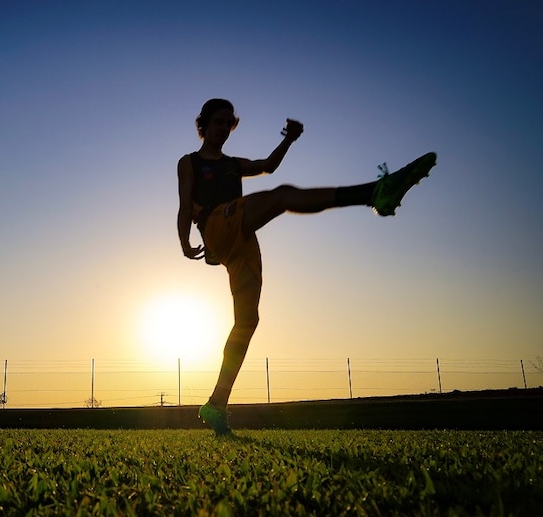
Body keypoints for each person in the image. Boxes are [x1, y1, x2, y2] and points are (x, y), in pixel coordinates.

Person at [177, 98, 436, 435]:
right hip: (215, 224)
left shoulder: (232, 164)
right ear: (204, 125)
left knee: (247, 321)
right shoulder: (190, 162)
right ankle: (373, 192)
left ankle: (216, 404)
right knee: (283, 196)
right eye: (218, 122)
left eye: (229, 123)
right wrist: (184, 242)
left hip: (242, 239)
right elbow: (185, 205)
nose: (224, 128)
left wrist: (289, 139)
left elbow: (267, 165)